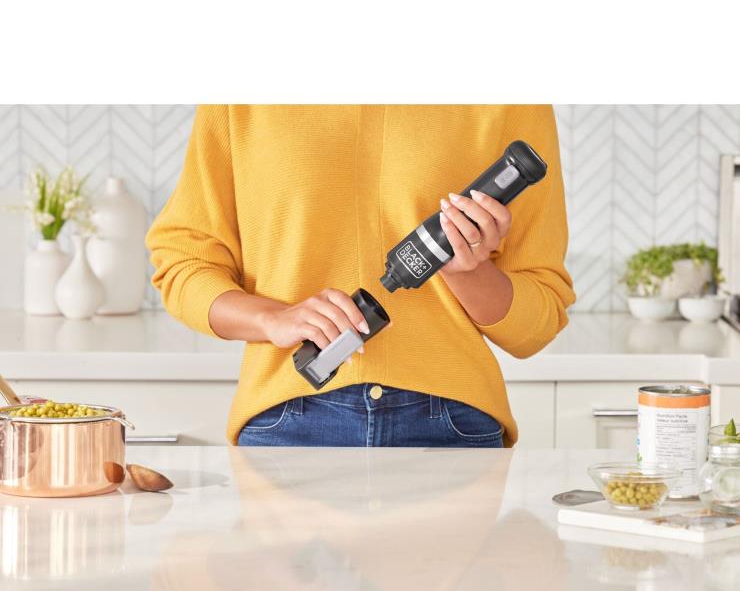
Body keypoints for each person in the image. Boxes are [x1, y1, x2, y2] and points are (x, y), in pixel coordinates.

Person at [146, 105, 575, 448]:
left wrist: (468, 270)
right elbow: (184, 263)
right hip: (287, 419)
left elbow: (535, 327)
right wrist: (271, 318)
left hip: (451, 424)